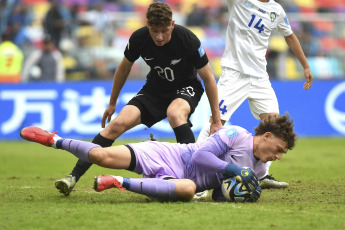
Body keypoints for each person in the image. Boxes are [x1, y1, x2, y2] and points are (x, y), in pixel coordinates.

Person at [54, 2, 222, 196]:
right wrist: (112, 102)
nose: (159, 37)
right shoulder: (139, 38)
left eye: (164, 31)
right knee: (116, 126)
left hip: (186, 87)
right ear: (147, 25)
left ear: (173, 25)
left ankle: (193, 181)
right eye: (154, 31)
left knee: (175, 114)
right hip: (155, 89)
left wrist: (216, 119)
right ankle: (73, 177)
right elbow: (124, 67)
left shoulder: (187, 39)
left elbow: (209, 79)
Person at [20, 113, 296, 202]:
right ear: (268, 135)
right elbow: (200, 155)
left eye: (282, 154)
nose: (279, 156)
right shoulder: (236, 133)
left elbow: (216, 195)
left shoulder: (259, 171)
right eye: (280, 148)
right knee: (102, 155)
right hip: (170, 155)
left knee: (188, 189)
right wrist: (235, 170)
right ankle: (53, 140)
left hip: (181, 182)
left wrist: (239, 195)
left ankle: (117, 182)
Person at [197, 0, 313, 189]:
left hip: (260, 77)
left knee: (275, 124)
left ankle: (261, 175)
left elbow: (289, 36)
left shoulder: (276, 9)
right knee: (216, 120)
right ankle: (195, 171)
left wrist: (305, 65)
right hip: (234, 74)